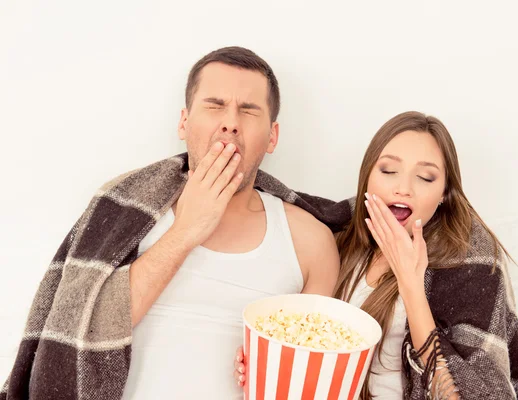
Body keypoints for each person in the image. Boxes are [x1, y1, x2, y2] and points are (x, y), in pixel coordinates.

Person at [0, 46, 340, 400]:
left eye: (248, 110)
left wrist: (275, 371)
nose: (231, 122)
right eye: (214, 105)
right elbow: (78, 330)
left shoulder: (309, 240)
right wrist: (186, 231)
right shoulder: (122, 212)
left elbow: (313, 374)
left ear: (272, 136)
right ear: (184, 122)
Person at [234, 111, 518, 399]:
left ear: (444, 194)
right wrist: (271, 366)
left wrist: (411, 286)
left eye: (425, 178)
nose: (403, 187)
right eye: (388, 170)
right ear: (367, 178)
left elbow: (475, 394)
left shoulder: (472, 263)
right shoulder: (341, 236)